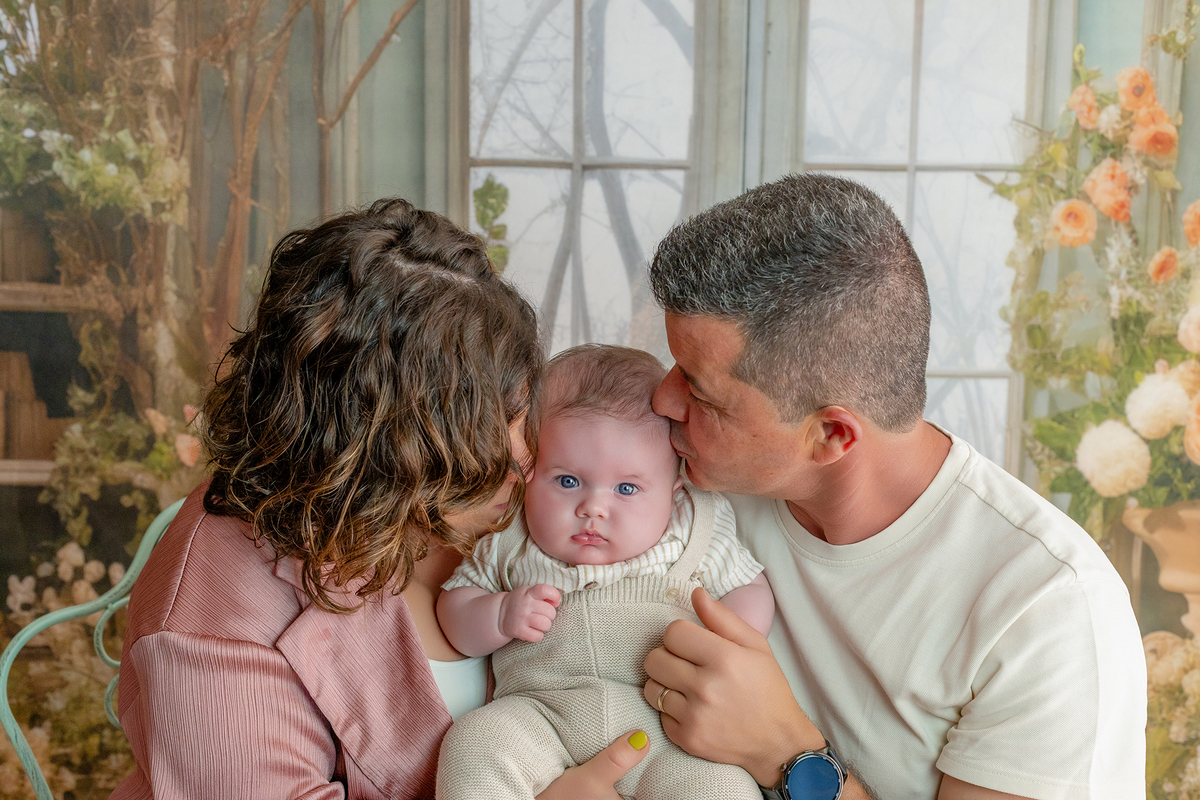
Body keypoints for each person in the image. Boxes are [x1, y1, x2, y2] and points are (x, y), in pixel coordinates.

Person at [110, 199, 651, 800]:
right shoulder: (210, 637)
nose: (529, 460)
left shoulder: (483, 495)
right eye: (501, 423)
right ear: (394, 445)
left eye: (524, 411)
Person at [640, 174, 1147, 800]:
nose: (662, 400)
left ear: (831, 435)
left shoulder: (1046, 608)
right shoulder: (685, 486)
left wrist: (785, 752)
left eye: (700, 390)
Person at [435, 344, 774, 799]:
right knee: (474, 744)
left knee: (722, 787)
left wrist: (724, 643)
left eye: (628, 488)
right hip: (540, 717)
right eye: (567, 481)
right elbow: (454, 608)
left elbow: (749, 587)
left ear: (675, 486)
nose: (593, 507)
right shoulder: (509, 536)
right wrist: (498, 615)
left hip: (665, 733)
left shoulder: (694, 528)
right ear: (529, 467)